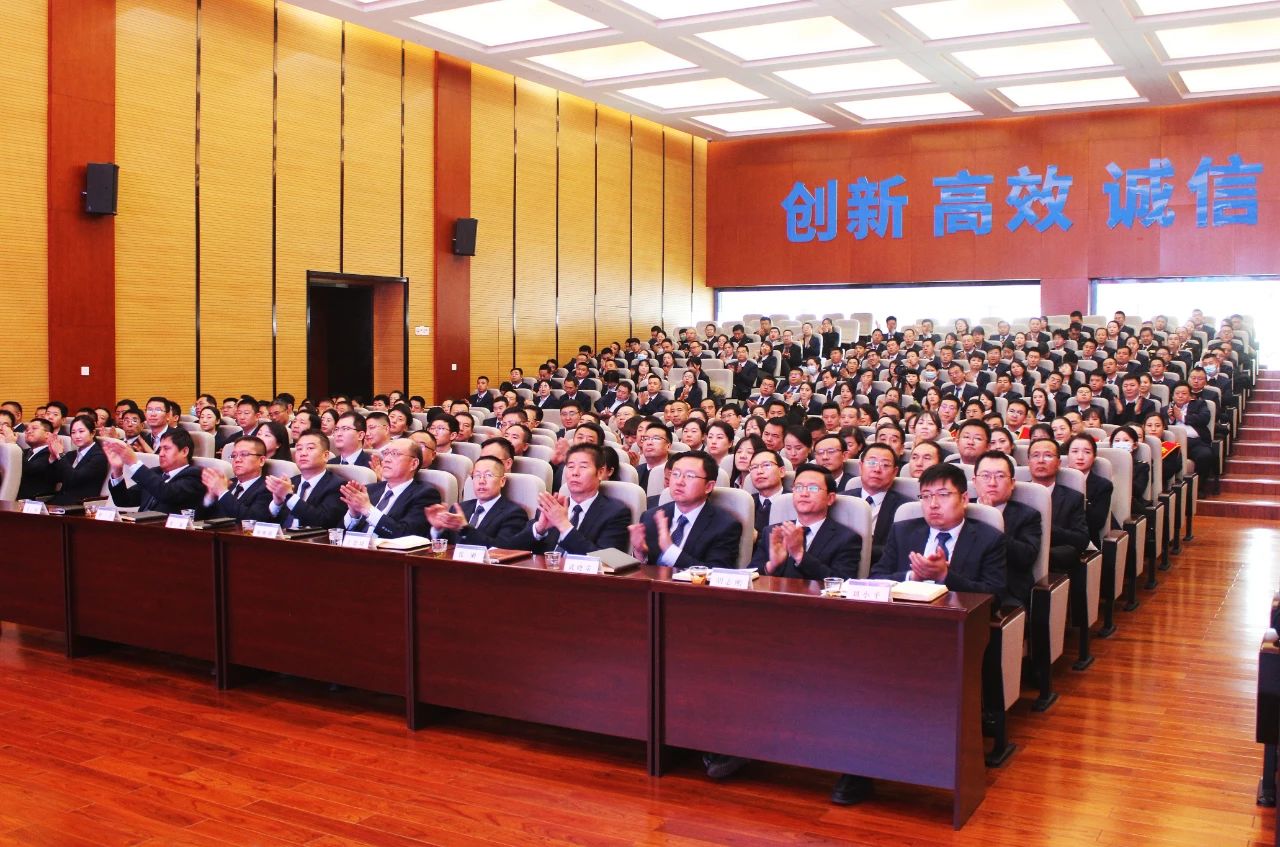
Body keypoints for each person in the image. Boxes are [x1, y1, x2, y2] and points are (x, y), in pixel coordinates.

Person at [630, 450, 742, 569]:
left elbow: (717, 572)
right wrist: (640, 554)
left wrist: (670, 551)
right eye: (675, 474)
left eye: (690, 476)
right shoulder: (650, 517)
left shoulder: (724, 525)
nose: (679, 482)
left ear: (708, 486)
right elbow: (640, 572)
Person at [511, 444, 631, 554]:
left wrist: (563, 525)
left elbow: (606, 561)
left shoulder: (615, 513)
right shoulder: (552, 507)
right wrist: (539, 529)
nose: (575, 473)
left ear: (600, 472)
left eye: (583, 467)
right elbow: (512, 551)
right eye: (571, 466)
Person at [749, 463, 861, 579]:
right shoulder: (772, 532)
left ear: (830, 498)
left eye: (813, 488)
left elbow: (841, 582)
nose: (804, 494)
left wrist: (800, 555)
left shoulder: (846, 538)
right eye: (798, 487)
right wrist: (771, 565)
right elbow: (749, 577)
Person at [973, 450, 1041, 608]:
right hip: (961, 586)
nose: (992, 483)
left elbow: (1026, 557)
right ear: (974, 481)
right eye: (985, 476)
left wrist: (992, 522)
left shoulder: (1028, 515)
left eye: (1000, 476)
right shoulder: (961, 509)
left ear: (1012, 483)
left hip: (1005, 592)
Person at [339, 438, 437, 538]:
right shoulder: (370, 489)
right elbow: (338, 533)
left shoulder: (425, 494)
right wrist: (354, 514)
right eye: (386, 453)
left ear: (414, 464)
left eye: (395, 454)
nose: (386, 459)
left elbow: (406, 535)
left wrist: (368, 509)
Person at [425, 456, 528, 549]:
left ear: (502, 481)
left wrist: (465, 529)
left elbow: (502, 550)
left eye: (488, 475)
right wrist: (437, 529)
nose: (481, 481)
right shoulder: (460, 508)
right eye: (477, 475)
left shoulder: (514, 514)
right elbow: (447, 547)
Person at [103, 429, 205, 514]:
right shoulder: (156, 473)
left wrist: (134, 463)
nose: (161, 454)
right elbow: (123, 500)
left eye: (166, 449)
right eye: (160, 449)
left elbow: (166, 493)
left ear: (184, 451)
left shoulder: (195, 476)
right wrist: (117, 469)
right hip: (141, 527)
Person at [1027, 437, 1091, 572]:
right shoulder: (1015, 494)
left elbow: (1081, 539)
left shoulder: (1072, 498)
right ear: (1028, 462)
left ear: (1059, 463)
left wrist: (1047, 529)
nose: (1041, 460)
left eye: (1048, 456)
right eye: (1035, 455)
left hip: (1053, 564)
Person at [264, 431, 347, 529]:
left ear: (325, 456)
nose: (303, 453)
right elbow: (265, 523)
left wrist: (289, 497)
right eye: (299, 449)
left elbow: (324, 522)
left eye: (310, 448)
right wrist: (277, 503)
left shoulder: (338, 486)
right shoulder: (290, 482)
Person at [848, 444, 909, 563]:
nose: (877, 469)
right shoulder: (842, 499)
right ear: (860, 467)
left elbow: (900, 549)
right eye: (871, 463)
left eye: (885, 465)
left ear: (895, 472)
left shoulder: (904, 508)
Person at [201, 436, 274, 522]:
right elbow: (198, 520)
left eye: (244, 454)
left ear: (261, 461)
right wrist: (210, 497)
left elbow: (252, 520)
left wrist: (222, 492)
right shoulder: (228, 483)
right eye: (234, 455)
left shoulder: (268, 488)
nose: (237, 460)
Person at [1065, 434, 1115, 548]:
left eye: (1087, 452)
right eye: (1075, 451)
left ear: (1094, 456)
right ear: (1067, 454)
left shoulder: (1103, 485)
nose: (1080, 457)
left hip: (1085, 541)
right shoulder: (1056, 479)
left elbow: (1097, 523)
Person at [15, 418, 61, 500]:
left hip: (34, 501)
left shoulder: (52, 454)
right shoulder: (24, 452)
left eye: (34, 428)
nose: (29, 431)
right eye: (27, 430)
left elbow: (30, 469)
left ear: (47, 434)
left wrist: (12, 445)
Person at [747, 449, 787, 535]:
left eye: (766, 465)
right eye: (754, 467)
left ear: (781, 471)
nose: (759, 471)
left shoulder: (793, 502)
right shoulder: (746, 503)